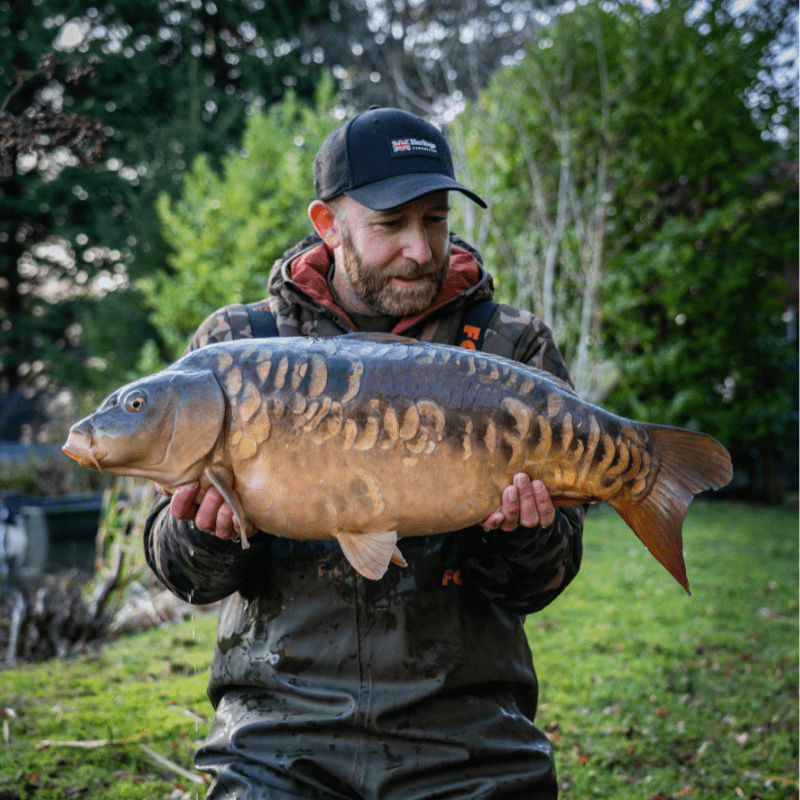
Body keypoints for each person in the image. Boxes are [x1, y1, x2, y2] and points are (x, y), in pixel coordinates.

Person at [143, 106, 585, 799]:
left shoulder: (509, 347)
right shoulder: (234, 348)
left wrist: (520, 534)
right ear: (328, 223)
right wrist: (205, 536)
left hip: (470, 734)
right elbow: (182, 576)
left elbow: (543, 582)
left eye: (435, 220)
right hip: (275, 733)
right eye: (390, 224)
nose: (420, 248)